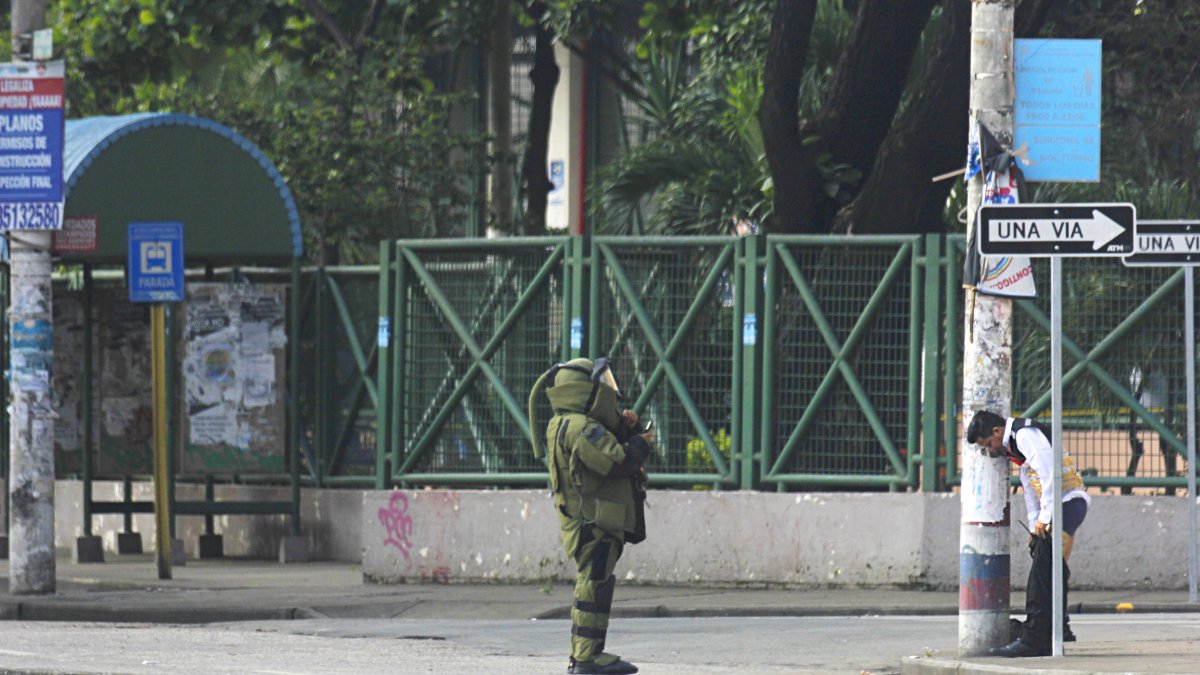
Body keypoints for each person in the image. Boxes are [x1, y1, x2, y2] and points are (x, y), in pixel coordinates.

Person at [528, 357, 654, 675]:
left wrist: (625, 429)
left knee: (597, 582)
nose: (609, 389)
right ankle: (586, 657)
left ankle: (588, 654)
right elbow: (617, 462)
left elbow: (603, 454)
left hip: (589, 517)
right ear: (583, 389)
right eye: (602, 383)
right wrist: (639, 442)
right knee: (593, 582)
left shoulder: (566, 423)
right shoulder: (581, 428)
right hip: (592, 521)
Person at [966, 410, 1091, 658]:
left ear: (997, 432)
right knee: (1051, 566)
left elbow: (1049, 474)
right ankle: (1057, 628)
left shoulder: (1025, 435)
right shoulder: (1018, 447)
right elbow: (1030, 489)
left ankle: (1035, 639)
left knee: (1041, 571)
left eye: (989, 444)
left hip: (1067, 502)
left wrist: (1045, 519)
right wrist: (1036, 524)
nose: (992, 450)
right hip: (1060, 506)